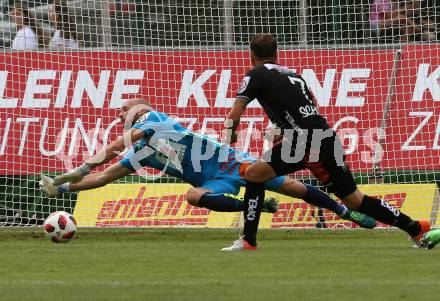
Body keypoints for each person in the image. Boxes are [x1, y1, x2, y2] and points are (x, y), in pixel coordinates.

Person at [222, 33, 430, 251]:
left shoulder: (255, 74)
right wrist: (283, 132)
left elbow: (234, 115)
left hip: (305, 142)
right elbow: (306, 113)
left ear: (251, 56)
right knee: (354, 199)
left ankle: (248, 241)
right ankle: (415, 227)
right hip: (323, 136)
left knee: (254, 174)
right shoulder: (295, 76)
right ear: (276, 54)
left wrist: (230, 136)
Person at [39, 98, 376, 230]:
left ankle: (349, 213)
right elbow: (105, 177)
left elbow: (114, 146)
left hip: (232, 162)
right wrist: (64, 186)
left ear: (140, 111)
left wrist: (81, 167)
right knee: (192, 196)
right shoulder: (140, 151)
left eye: (125, 109)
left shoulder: (158, 119)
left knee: (295, 187)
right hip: (216, 181)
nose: (121, 114)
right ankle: (254, 206)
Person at [369, 0, 435, 42]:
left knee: (407, 28)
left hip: (389, 23)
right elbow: (386, 16)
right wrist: (403, 9)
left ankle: (403, 46)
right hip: (378, 24)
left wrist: (410, 9)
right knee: (402, 18)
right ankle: (423, 33)